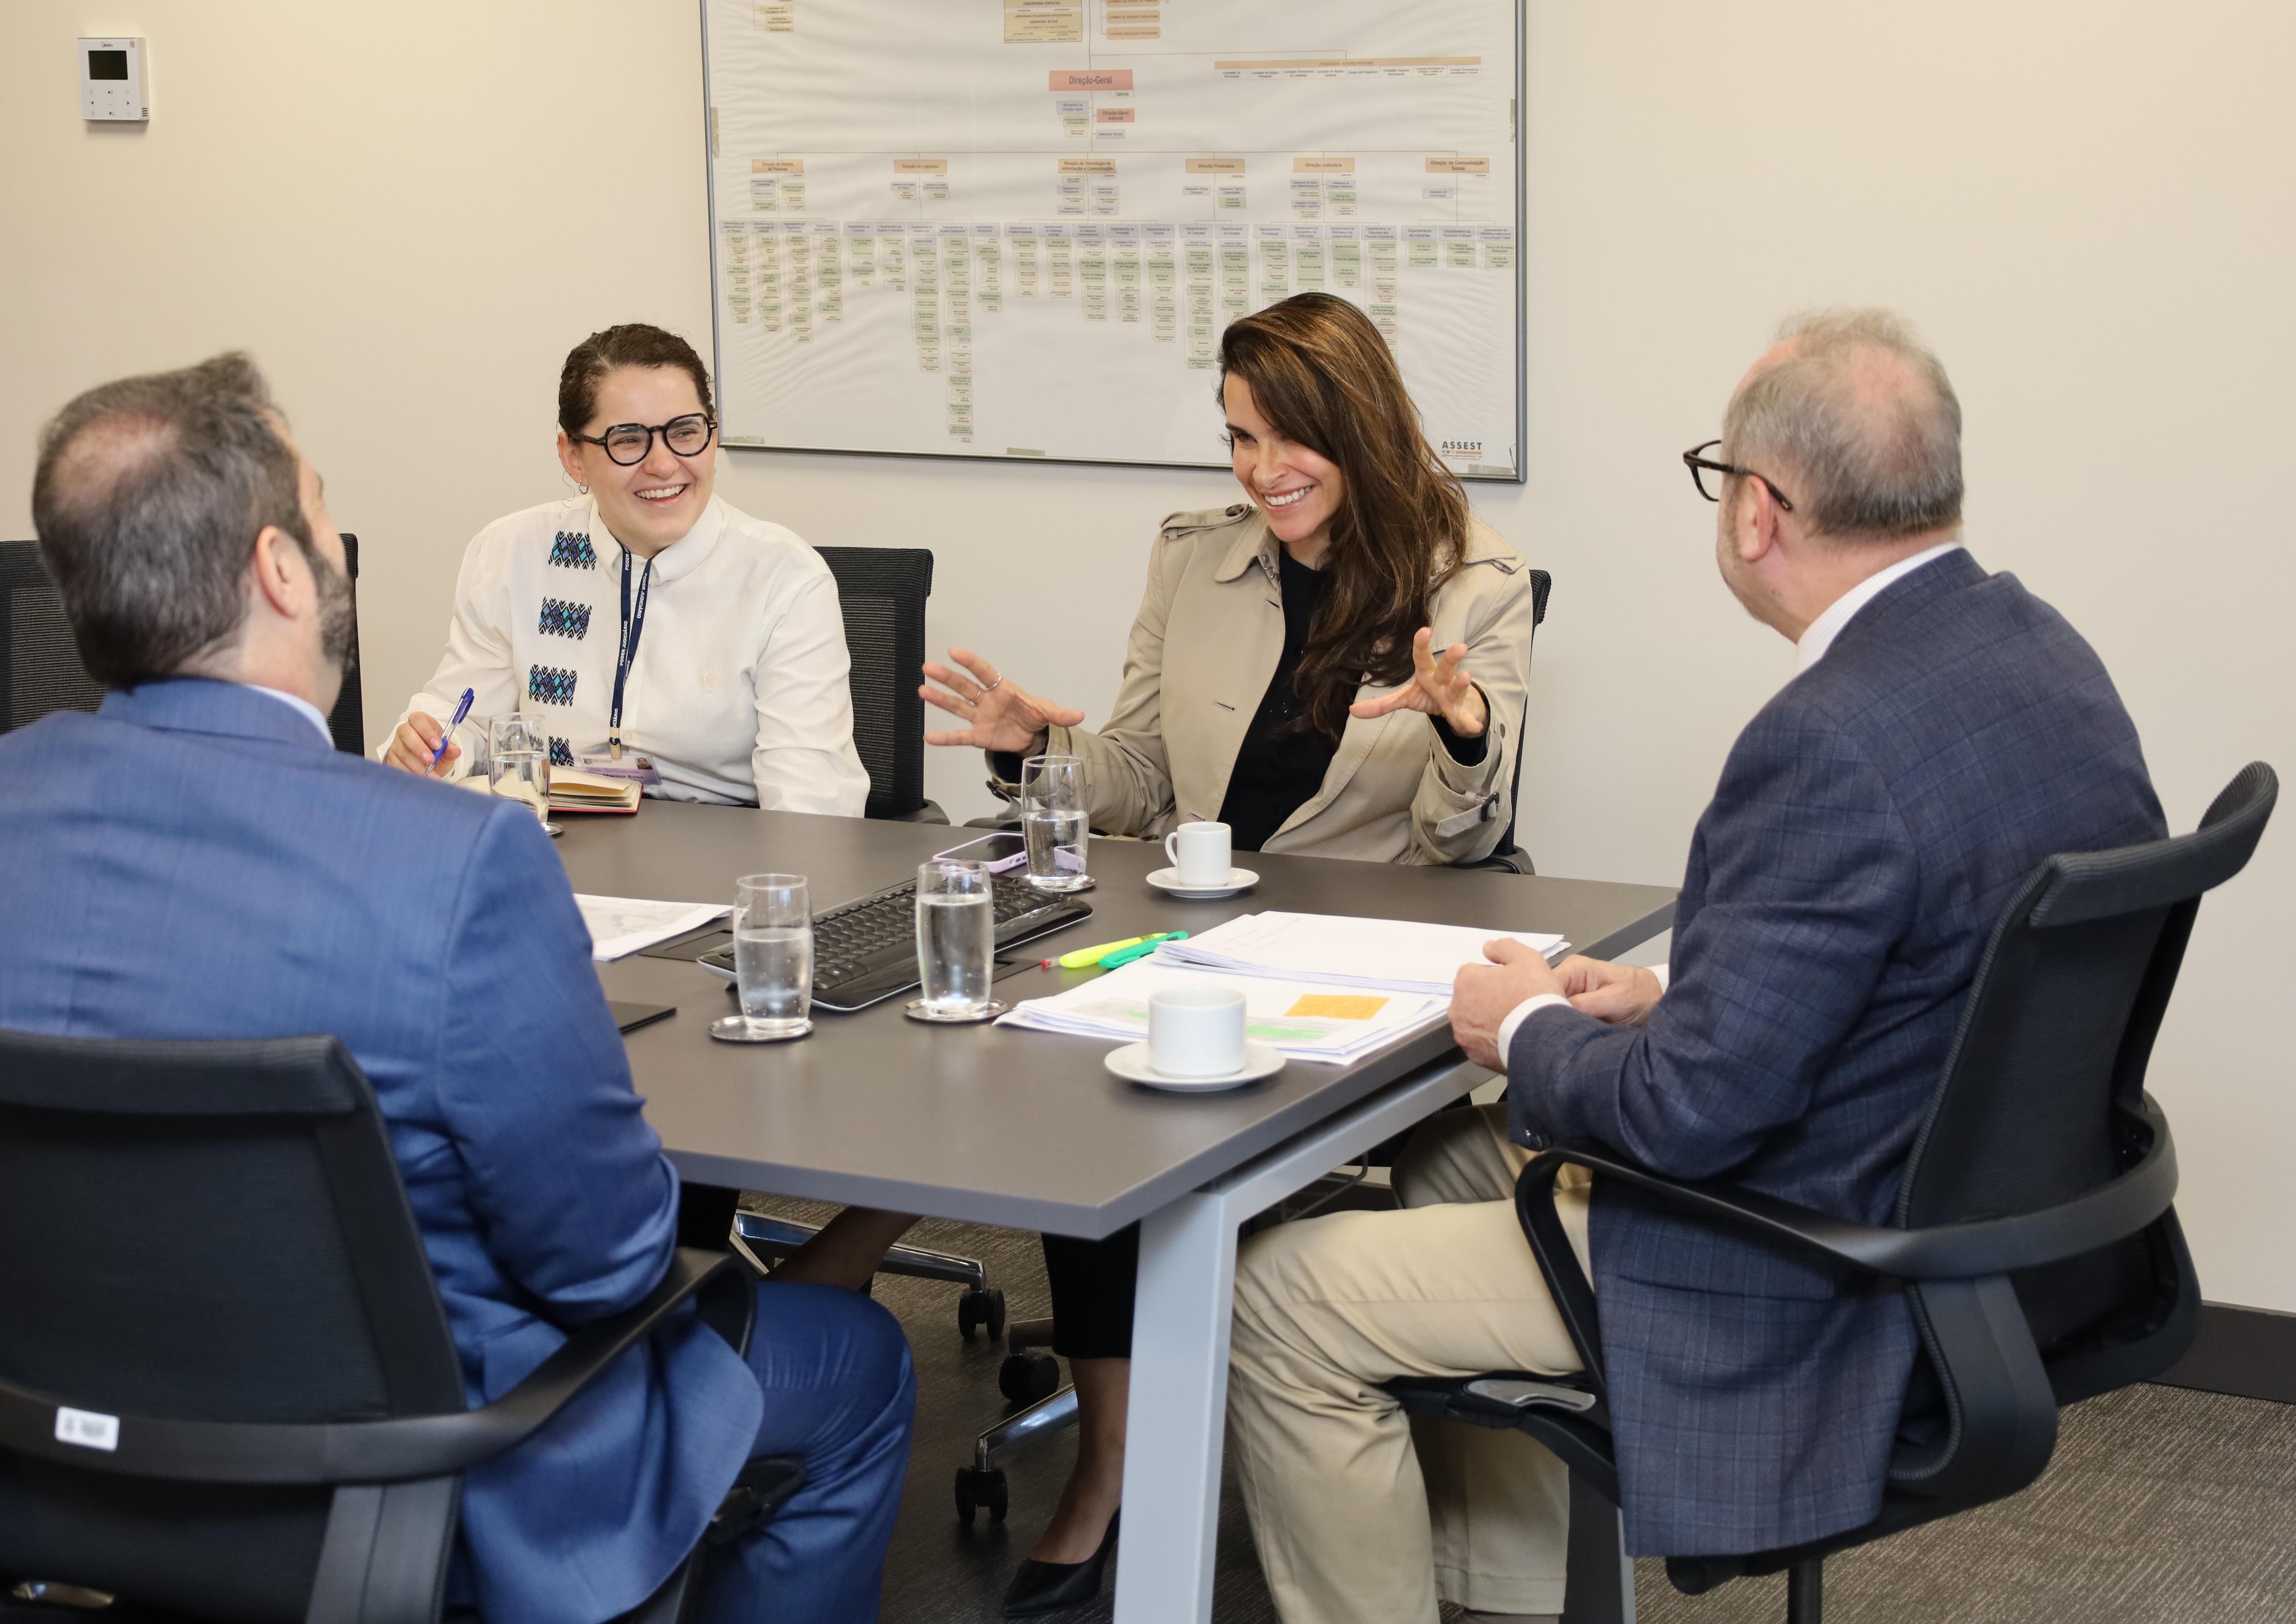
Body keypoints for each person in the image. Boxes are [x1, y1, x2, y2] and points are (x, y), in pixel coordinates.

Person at [0, 354, 915, 1624]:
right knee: (859, 1365)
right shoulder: (450, 859)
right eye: (322, 515)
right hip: (420, 1459)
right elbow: (609, 1262)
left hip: (54, 1441)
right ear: (281, 571)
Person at [1219, 308, 2168, 1624]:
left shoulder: (1829, 741)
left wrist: (1531, 1027)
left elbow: (1688, 1114)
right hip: (1964, 1220)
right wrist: (1663, 1005)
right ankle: (1507, 1601)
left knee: (1279, 1293)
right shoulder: (2041, 655)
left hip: (1798, 1259)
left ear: (1758, 512)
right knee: (1445, 1158)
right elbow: (1930, 979)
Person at [919, 292, 1535, 1615]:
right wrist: (1038, 748)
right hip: (1198, 933)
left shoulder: (1473, 578)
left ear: (1358, 428)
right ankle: (1120, 1460)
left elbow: (1465, 831)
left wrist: (1464, 729)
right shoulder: (1196, 557)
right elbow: (1140, 777)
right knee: (1080, 1092)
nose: (1261, 472)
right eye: (1239, 439)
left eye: (1286, 441)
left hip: (1371, 948)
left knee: (1163, 1123)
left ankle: (1258, 1385)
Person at [379, 322, 869, 817]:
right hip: (561, 848)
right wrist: (429, 746)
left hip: (726, 855)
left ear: (714, 436)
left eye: (685, 433)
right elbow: (462, 714)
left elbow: (813, 814)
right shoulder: (512, 555)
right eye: (628, 440)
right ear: (573, 457)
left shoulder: (782, 579)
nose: (663, 464)